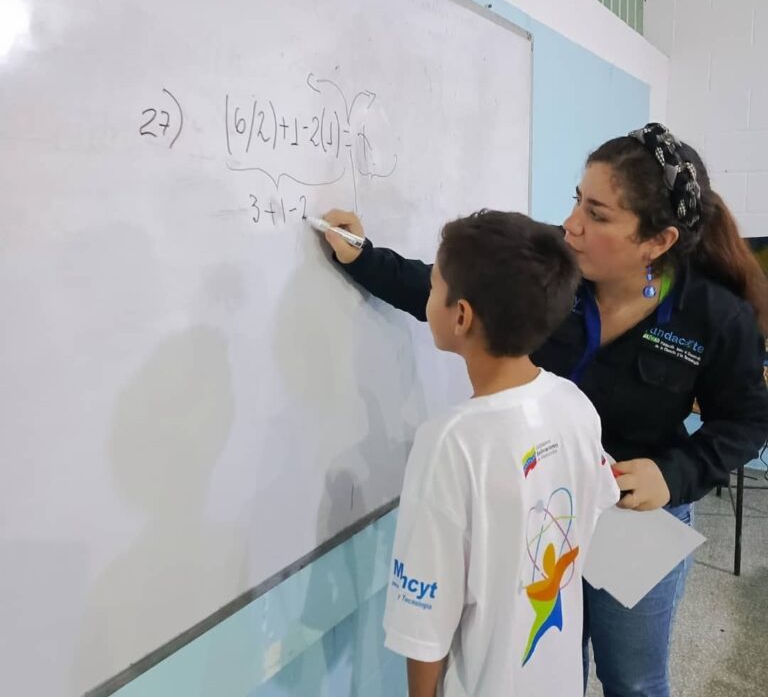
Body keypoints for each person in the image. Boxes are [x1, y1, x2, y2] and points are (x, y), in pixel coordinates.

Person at [321, 123, 768, 697]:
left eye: (599, 215)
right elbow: (457, 294)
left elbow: (747, 421)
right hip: (540, 510)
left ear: (657, 242)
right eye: (576, 200)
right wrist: (362, 258)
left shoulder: (713, 316)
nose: (572, 225)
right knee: (551, 664)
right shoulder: (554, 271)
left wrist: (673, 473)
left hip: (635, 520)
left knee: (632, 680)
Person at [378, 210, 619, 697]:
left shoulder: (450, 442)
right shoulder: (575, 405)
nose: (427, 300)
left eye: (432, 288)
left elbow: (424, 625)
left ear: (461, 315)